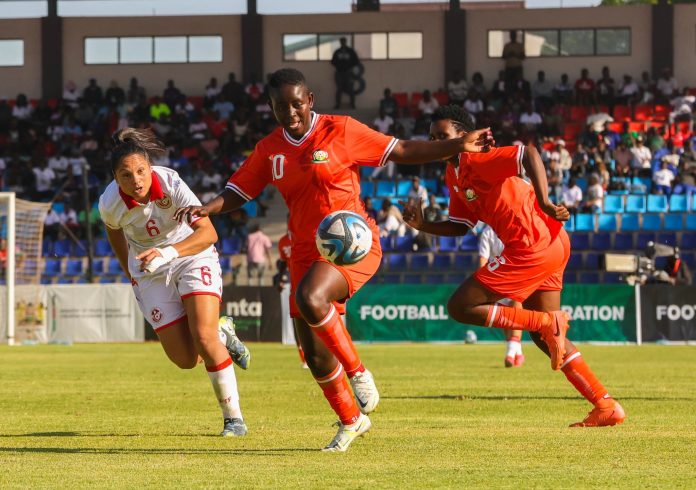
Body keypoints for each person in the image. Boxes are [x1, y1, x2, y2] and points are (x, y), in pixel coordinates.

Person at [174, 68, 493, 452]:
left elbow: (402, 150)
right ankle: (351, 420)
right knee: (315, 354)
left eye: (296, 103)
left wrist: (454, 147)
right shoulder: (270, 149)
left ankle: (358, 372)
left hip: (352, 245)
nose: (290, 111)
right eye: (280, 106)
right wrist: (205, 208)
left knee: (312, 298)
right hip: (305, 252)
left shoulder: (341, 130)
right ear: (272, 108)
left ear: (309, 100)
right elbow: (239, 190)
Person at [402, 105, 625, 428]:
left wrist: (547, 200)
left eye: (443, 136)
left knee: (461, 306)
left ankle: (548, 323)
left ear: (463, 137)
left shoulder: (477, 158)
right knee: (542, 336)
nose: (436, 141)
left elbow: (529, 154)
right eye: (433, 137)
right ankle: (605, 405)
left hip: (531, 245)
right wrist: (424, 226)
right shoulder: (454, 172)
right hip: (550, 241)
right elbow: (461, 224)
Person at [98, 128, 251, 437]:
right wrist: (129, 269)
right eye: (126, 175)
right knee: (184, 359)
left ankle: (233, 419)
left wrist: (168, 252)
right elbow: (113, 230)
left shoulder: (171, 183)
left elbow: (208, 234)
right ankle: (224, 331)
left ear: (150, 168)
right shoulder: (109, 203)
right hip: (148, 270)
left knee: (204, 337)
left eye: (141, 171)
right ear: (116, 179)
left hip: (190, 255)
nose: (136, 180)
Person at [478, 224, 524, 367]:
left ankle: (510, 353)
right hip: (496, 279)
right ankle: (517, 351)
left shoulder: (515, 227)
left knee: (516, 307)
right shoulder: (487, 232)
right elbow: (483, 260)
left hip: (516, 275)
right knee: (505, 318)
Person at [278, 230, 307, 368]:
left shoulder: (305, 235)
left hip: (310, 282)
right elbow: (283, 262)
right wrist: (281, 278)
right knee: (297, 320)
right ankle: (304, 358)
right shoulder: (283, 242)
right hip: (294, 285)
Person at [331, 37, 360, 109]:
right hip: (339, 73)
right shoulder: (337, 51)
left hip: (348, 73)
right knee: (339, 89)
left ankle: (353, 105)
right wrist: (339, 66)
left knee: (350, 88)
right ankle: (337, 105)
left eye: (344, 41)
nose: (343, 43)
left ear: (345, 42)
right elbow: (333, 62)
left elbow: (356, 61)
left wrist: (349, 66)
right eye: (341, 41)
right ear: (340, 42)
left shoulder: (350, 51)